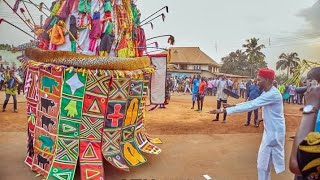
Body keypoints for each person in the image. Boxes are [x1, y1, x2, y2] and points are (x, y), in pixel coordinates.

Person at [211, 68, 285, 180]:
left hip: (274, 134)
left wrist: (224, 110)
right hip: (269, 131)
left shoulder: (273, 94)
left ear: (267, 80)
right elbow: (252, 102)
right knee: (262, 166)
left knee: (264, 165)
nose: (257, 82)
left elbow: (253, 104)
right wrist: (234, 106)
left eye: (259, 79)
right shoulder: (268, 92)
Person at [289, 67, 320, 180]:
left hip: (311, 167)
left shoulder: (313, 109)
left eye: (309, 80)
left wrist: (310, 106)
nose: (305, 83)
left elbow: (298, 164)